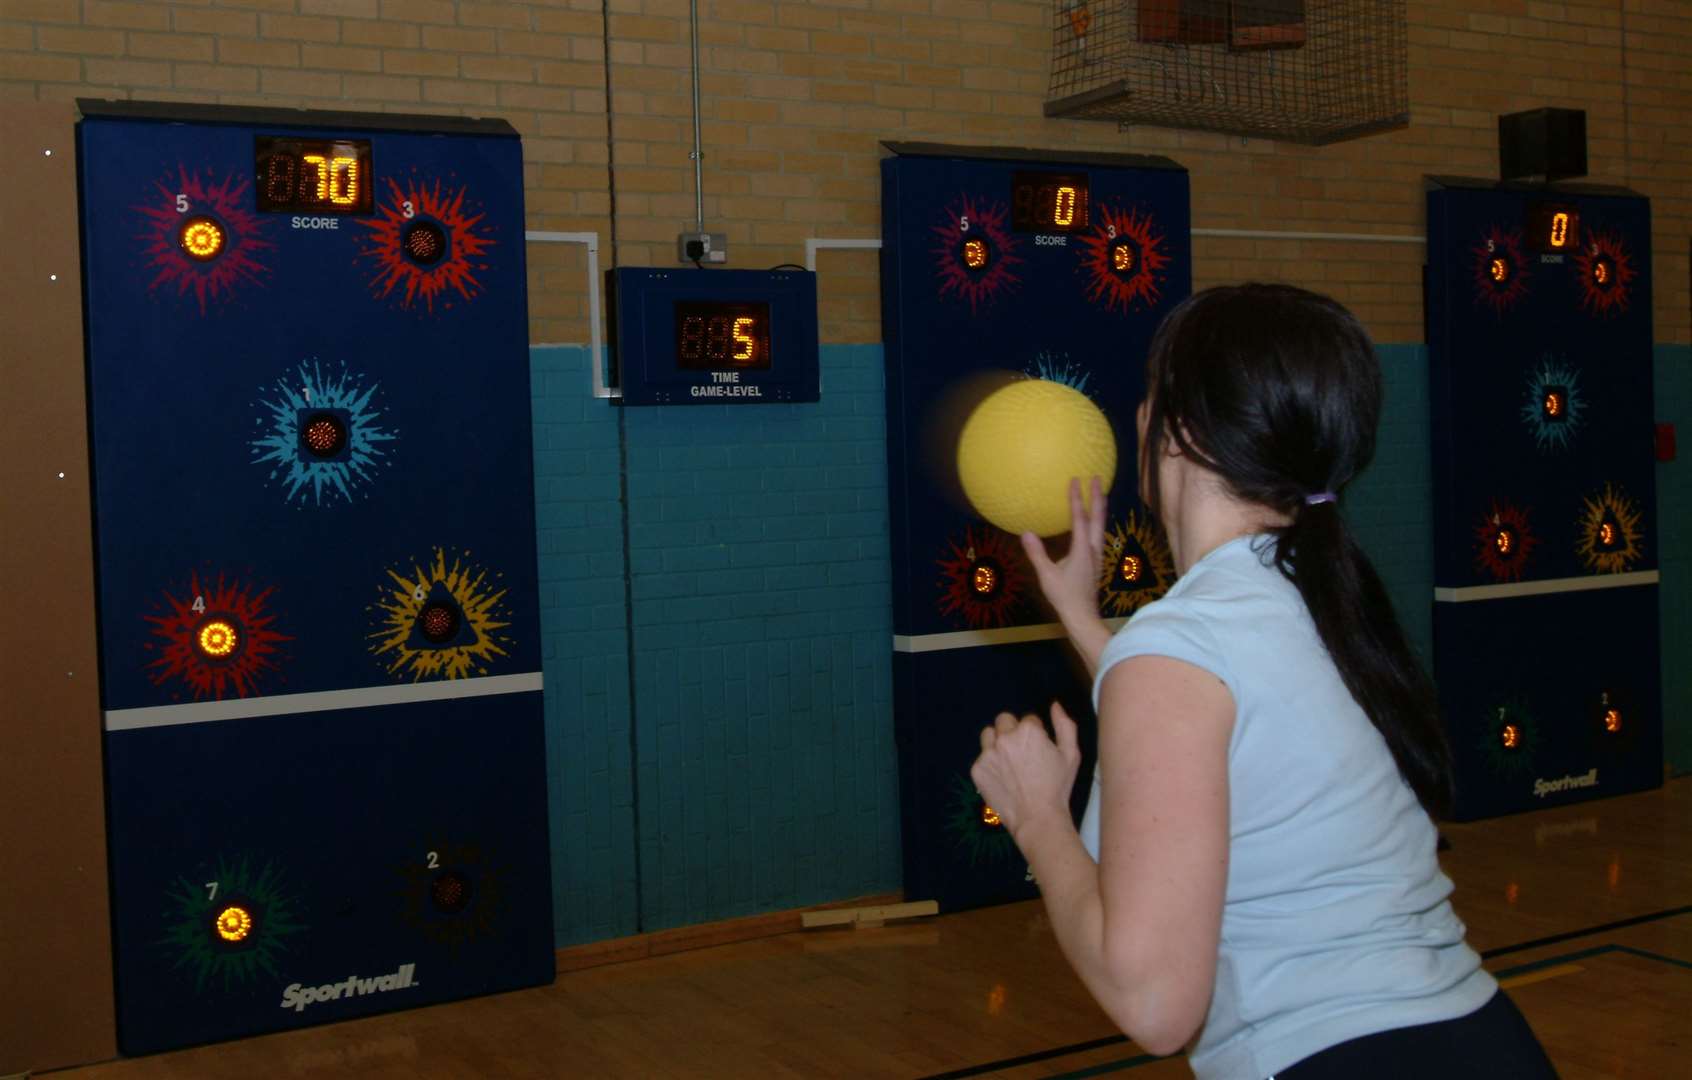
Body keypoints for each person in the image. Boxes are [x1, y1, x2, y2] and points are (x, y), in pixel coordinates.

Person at [969, 284, 1557, 1079]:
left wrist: (1039, 817)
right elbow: (1228, 730)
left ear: (1180, 431)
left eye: (1152, 396)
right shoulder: (1315, 596)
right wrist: (1083, 620)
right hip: (1478, 1042)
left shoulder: (1179, 648)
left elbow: (1154, 1006)